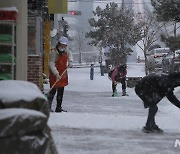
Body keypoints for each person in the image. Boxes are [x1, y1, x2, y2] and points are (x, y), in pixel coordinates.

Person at [48, 36, 73, 112]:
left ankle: (58, 107)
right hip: (54, 74)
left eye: (64, 45)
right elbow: (51, 64)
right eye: (62, 45)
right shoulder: (54, 52)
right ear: (59, 44)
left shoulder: (66, 50)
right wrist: (56, 74)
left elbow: (70, 55)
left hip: (63, 73)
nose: (63, 46)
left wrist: (70, 61)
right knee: (53, 90)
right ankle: (48, 107)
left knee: (61, 90)